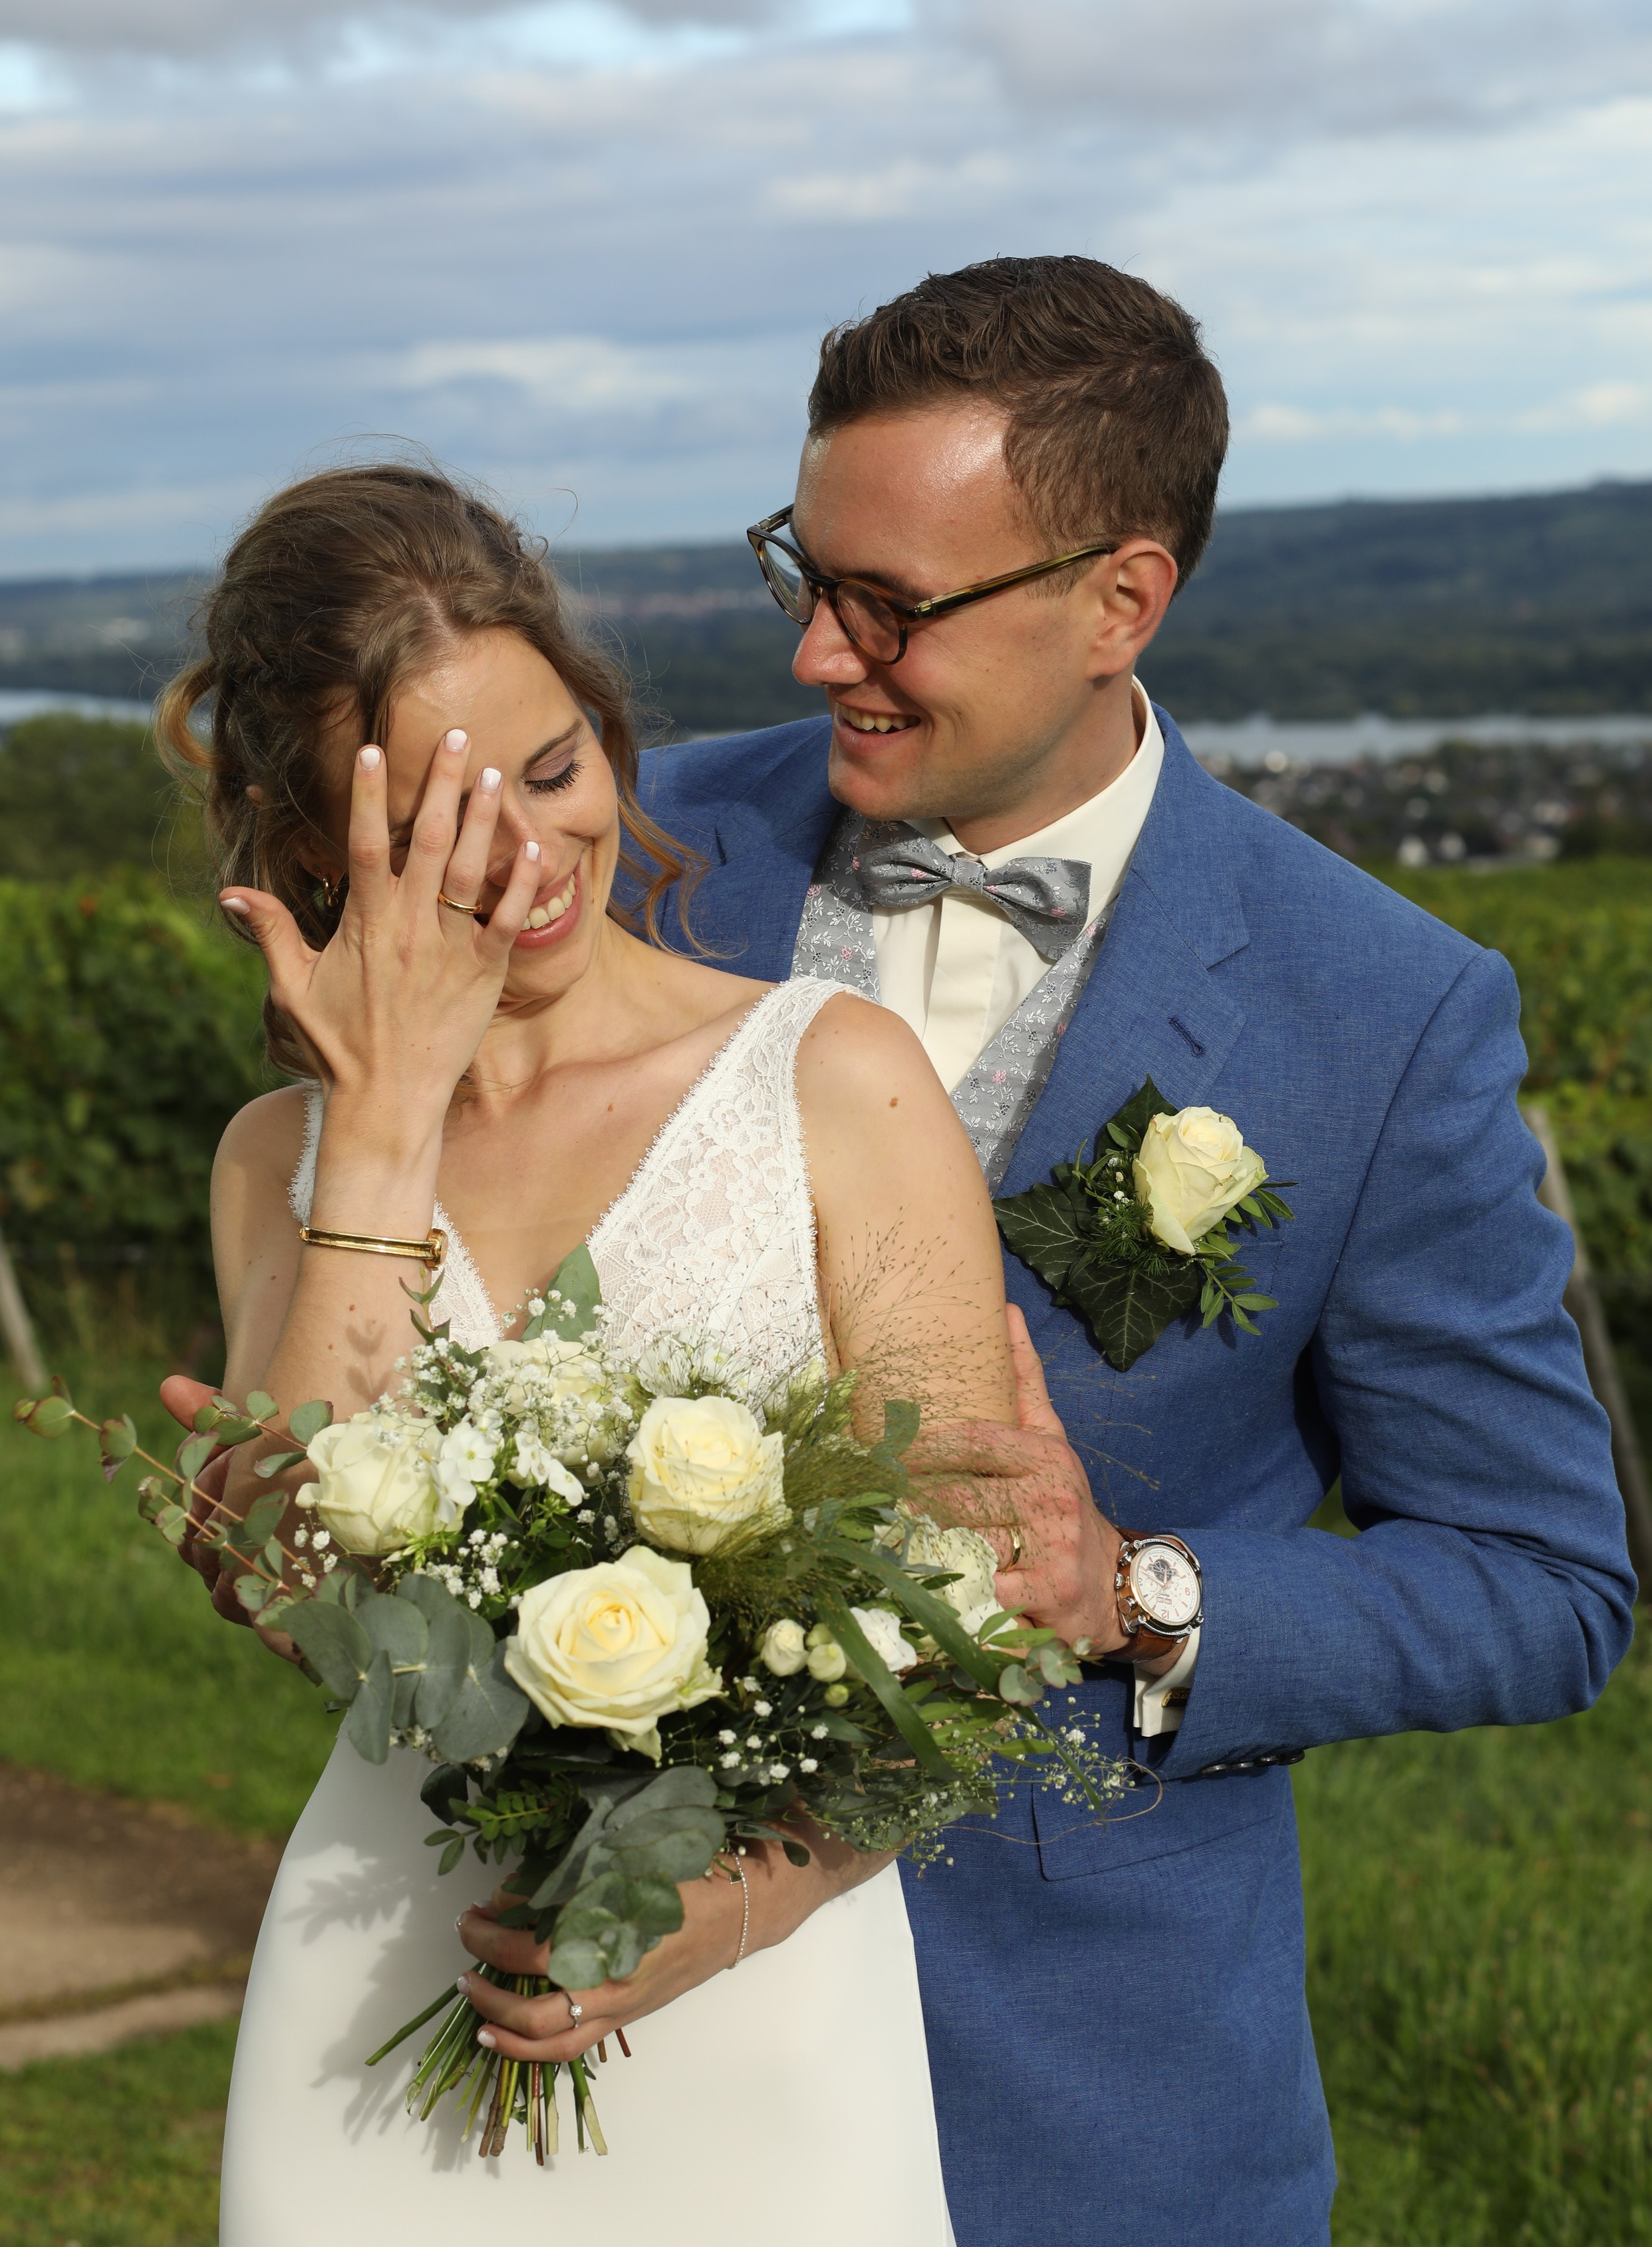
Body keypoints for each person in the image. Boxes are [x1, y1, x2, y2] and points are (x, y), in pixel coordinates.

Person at [628, 255, 1638, 2247]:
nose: (824, 655)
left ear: (1122, 600)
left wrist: (1144, 1593)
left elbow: (1545, 1581)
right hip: (610, 2027)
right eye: (801, 573)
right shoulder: (632, 858)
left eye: (893, 607)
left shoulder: (1385, 1009)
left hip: (1076, 2093)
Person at [156, 461, 1028, 2246]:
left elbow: (982, 1593)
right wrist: (383, 1128)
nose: (534, 857)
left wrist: (740, 1904)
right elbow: (308, 1594)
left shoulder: (837, 1080)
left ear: (608, 729)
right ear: (320, 848)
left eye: (557, 773)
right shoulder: (281, 1162)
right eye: (445, 823)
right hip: (382, 1980)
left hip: (764, 1996)